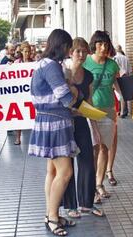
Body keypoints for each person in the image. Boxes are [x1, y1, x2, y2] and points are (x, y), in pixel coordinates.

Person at [28, 29, 80, 236]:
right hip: (56, 122)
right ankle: (52, 217)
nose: (70, 51)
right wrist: (74, 88)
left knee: (52, 172)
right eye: (68, 47)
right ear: (62, 46)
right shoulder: (51, 66)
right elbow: (66, 97)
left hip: (46, 120)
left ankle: (51, 214)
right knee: (65, 172)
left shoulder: (41, 63)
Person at [62, 37, 103, 219]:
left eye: (84, 51)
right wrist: (70, 111)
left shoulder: (88, 75)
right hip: (64, 124)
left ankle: (86, 203)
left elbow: (89, 101)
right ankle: (71, 206)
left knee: (87, 160)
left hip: (80, 122)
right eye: (78, 51)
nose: (81, 54)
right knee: (68, 164)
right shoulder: (63, 72)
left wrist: (95, 128)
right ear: (71, 52)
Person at [83, 30, 121, 203]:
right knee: (93, 148)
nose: (103, 47)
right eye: (100, 44)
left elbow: (119, 86)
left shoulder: (113, 65)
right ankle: (90, 186)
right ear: (94, 45)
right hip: (90, 109)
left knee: (105, 147)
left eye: (106, 44)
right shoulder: (86, 63)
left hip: (108, 109)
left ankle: (99, 183)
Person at [12, 41, 34, 145]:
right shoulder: (16, 63)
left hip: (32, 93)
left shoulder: (34, 63)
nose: (28, 53)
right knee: (19, 115)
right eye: (25, 51)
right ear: (22, 52)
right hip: (20, 93)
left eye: (29, 51)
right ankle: (18, 137)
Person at [113, 45, 132, 118]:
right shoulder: (126, 58)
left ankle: (122, 112)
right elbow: (130, 69)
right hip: (126, 76)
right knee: (125, 94)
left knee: (120, 94)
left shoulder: (115, 58)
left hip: (119, 77)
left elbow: (116, 69)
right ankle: (125, 110)